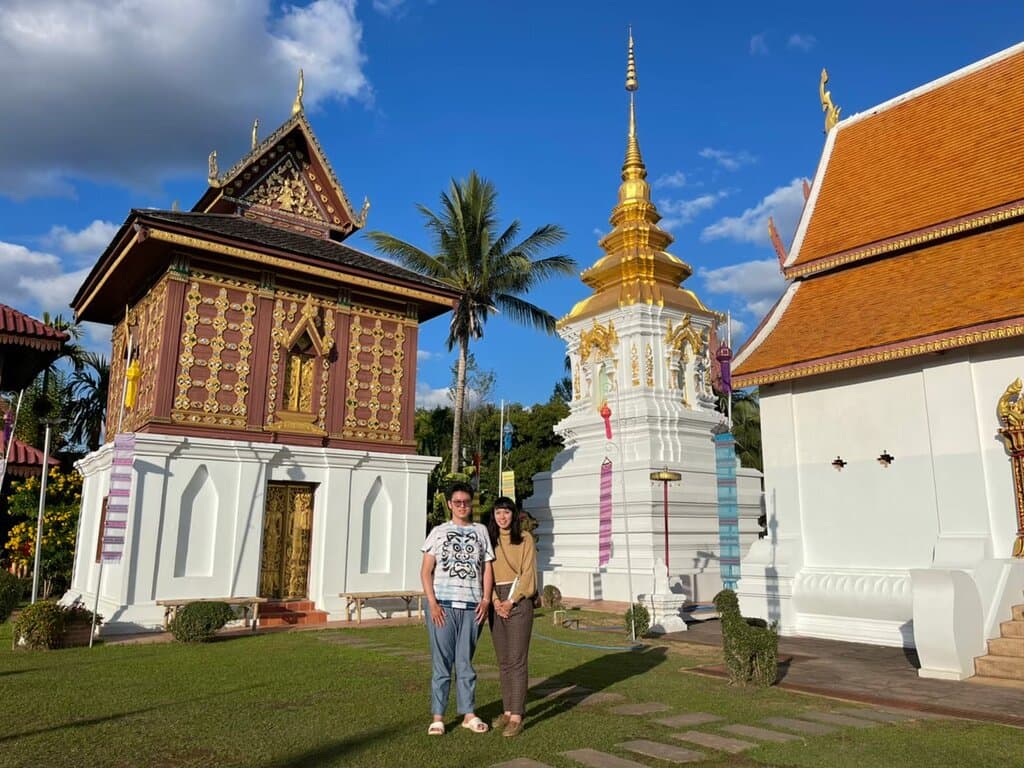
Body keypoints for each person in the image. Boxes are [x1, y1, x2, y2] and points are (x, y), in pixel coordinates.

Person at [420, 481, 494, 735]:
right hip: (443, 606)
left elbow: (487, 569)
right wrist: (432, 603)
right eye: (458, 502)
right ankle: (438, 716)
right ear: (450, 504)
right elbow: (426, 571)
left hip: (472, 608)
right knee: (441, 664)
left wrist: (486, 599)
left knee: (465, 663)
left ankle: (468, 713)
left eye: (467, 502)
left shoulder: (481, 531)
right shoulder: (439, 532)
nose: (463, 506)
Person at [487, 496, 537, 738]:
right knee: (504, 660)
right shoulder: (490, 539)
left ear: (513, 515)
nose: (502, 517)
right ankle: (507, 710)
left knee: (517, 660)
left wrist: (511, 600)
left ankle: (517, 716)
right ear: (494, 516)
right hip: (495, 600)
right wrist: (496, 601)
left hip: (518, 600)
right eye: (498, 513)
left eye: (506, 512)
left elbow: (528, 574)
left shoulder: (525, 539)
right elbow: (484, 572)